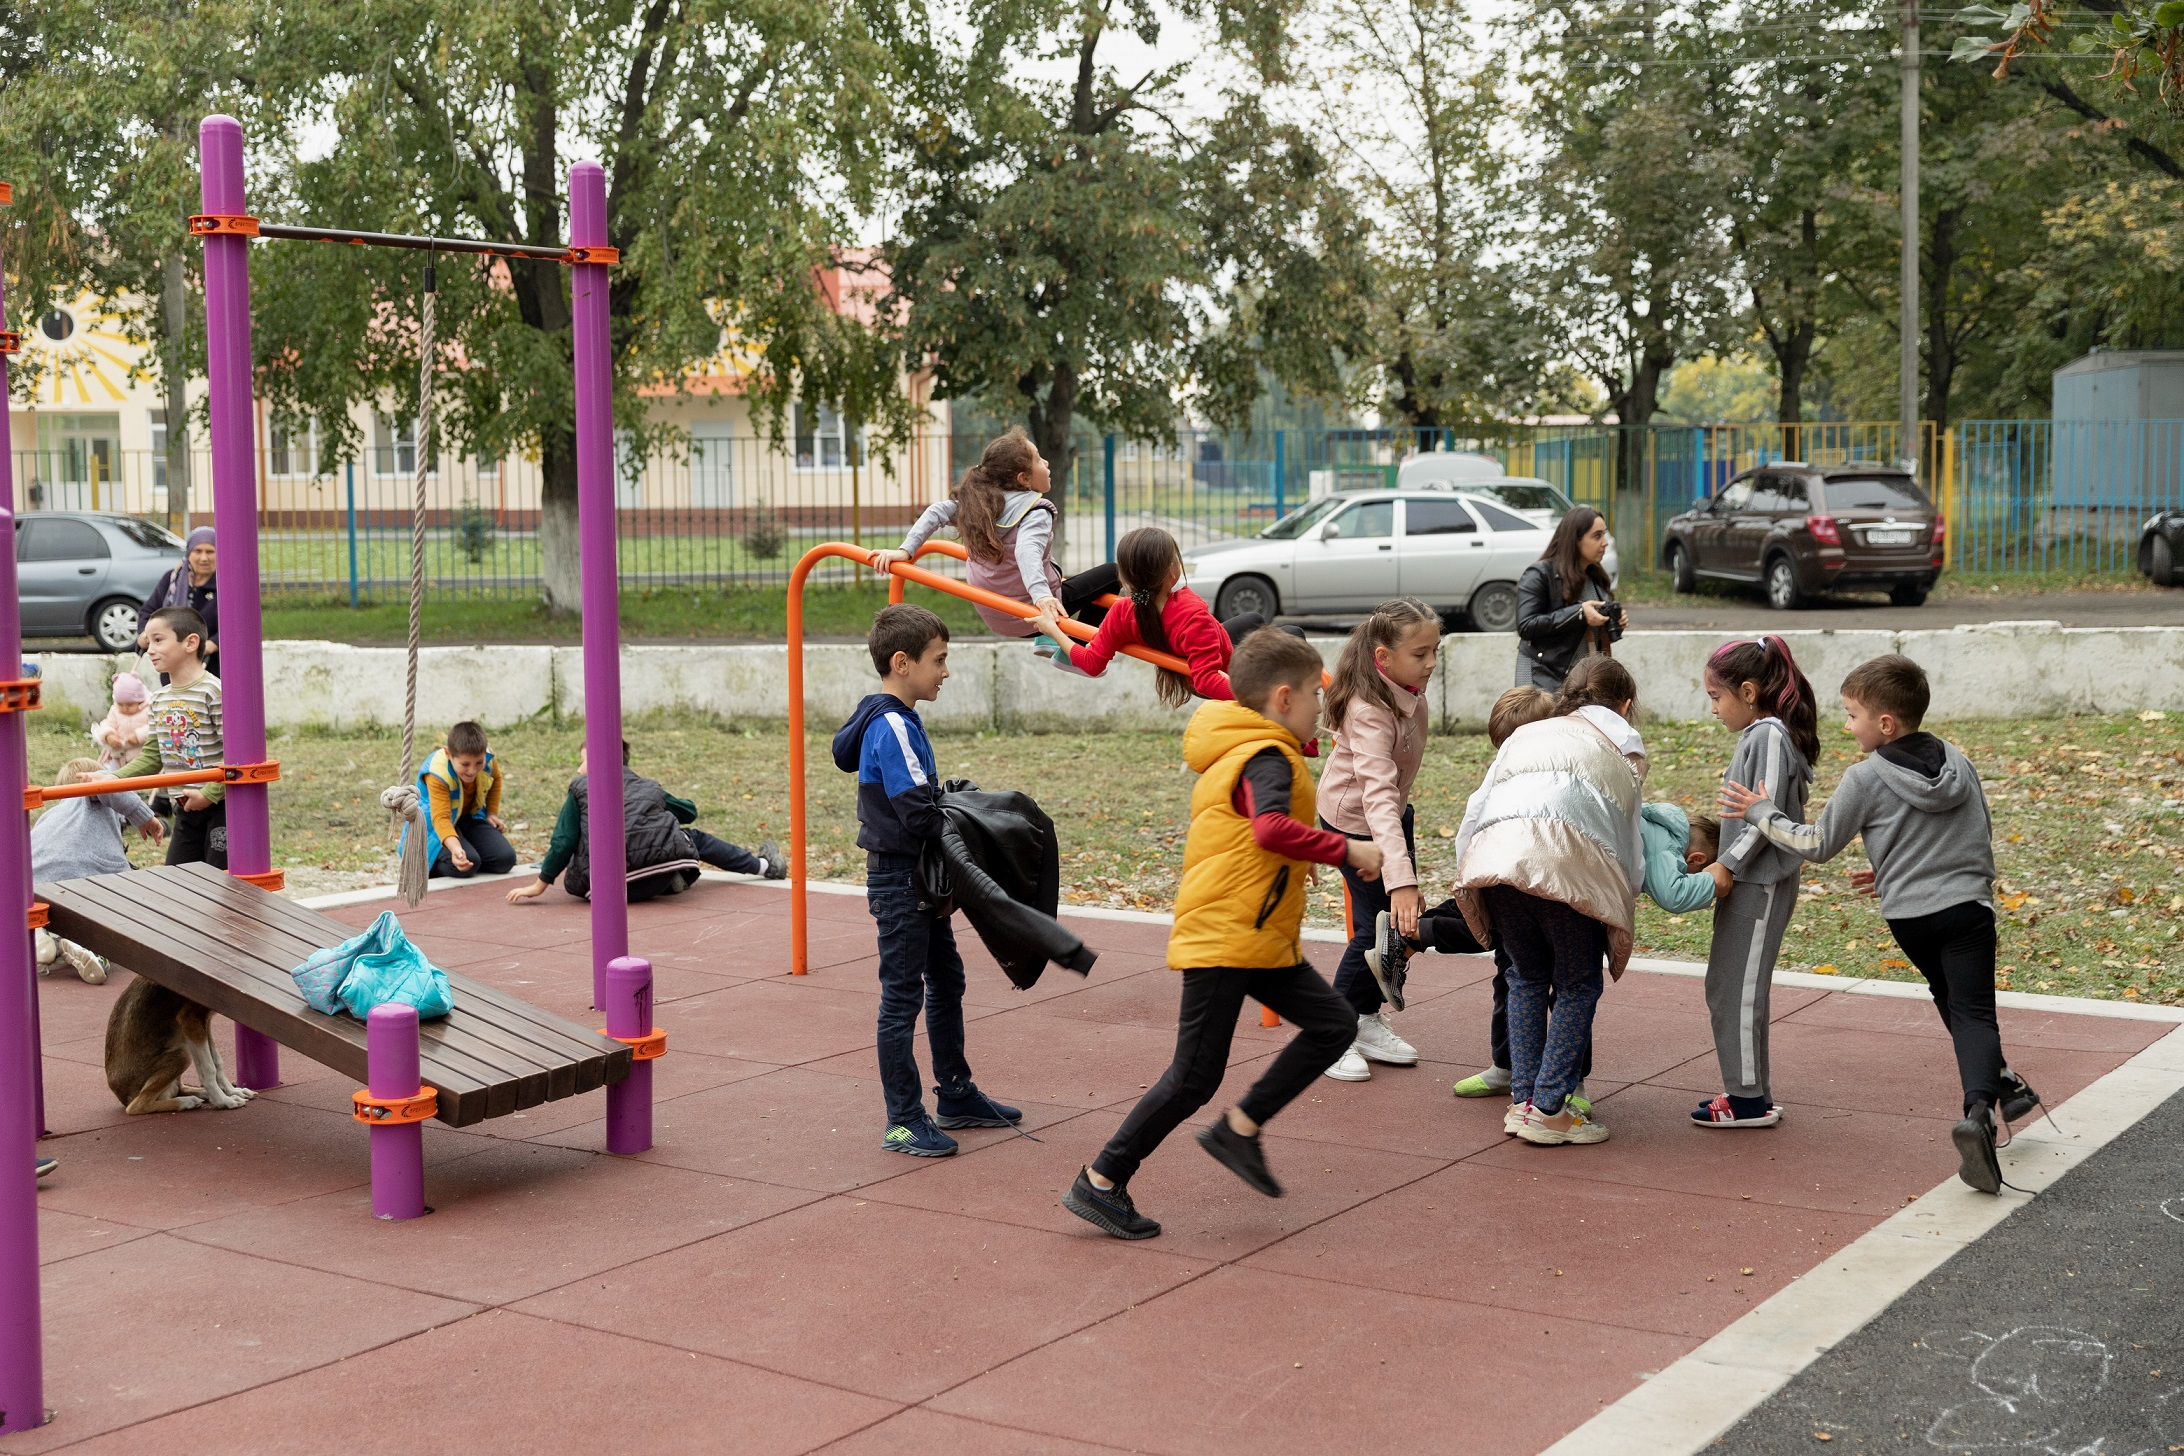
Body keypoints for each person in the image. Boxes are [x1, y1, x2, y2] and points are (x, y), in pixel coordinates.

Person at [1062, 629, 1380, 1241]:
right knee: (1193, 1076)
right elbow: (1268, 828)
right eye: (1315, 694)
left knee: (1334, 1024)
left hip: (1253, 935)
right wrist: (1345, 849)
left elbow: (1258, 835)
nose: (1321, 705)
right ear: (1283, 698)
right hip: (1229, 935)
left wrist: (1306, 856)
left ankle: (1240, 1129)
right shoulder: (1266, 756)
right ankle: (1101, 1179)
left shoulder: (1249, 748)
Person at [1721, 654, 2041, 1194]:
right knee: (1972, 1010)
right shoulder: (1958, 761)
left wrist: (1760, 812)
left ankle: (2003, 1086)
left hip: (1911, 919)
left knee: (1952, 999)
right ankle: (1980, 1111)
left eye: (1852, 715)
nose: (1848, 726)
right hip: (1967, 910)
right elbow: (1978, 830)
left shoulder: (1865, 777)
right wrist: (1899, 865)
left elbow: (1817, 843)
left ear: (1885, 724)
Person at [832, 603, 1022, 1158]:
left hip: (914, 876)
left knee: (946, 979)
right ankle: (902, 1121)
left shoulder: (895, 719)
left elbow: (920, 802)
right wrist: (972, 823)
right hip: (900, 881)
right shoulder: (892, 723)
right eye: (938, 660)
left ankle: (956, 1094)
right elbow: (918, 813)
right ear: (902, 662)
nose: (945, 671)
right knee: (901, 999)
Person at [1451, 656, 1647, 1146]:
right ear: (1625, 705)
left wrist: (1471, 874)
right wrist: (1626, 894)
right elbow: (1628, 837)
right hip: (1566, 866)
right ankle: (1550, 1108)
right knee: (1578, 984)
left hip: (1499, 861)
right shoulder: (1623, 743)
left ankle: (1524, 1102)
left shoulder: (1528, 733)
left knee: (1526, 977)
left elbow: (1476, 809)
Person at [1314, 597, 1441, 1082]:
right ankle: (1332, 1031)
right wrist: (1401, 879)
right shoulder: (1368, 709)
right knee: (1377, 930)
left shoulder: (1406, 689)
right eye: (1420, 653)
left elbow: (1390, 797)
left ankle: (1363, 1018)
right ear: (1383, 657)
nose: (1431, 663)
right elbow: (1375, 796)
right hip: (1355, 824)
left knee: (1391, 928)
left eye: (1435, 651)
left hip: (1387, 818)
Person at [1694, 636, 1819, 1130]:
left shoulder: (1767, 735)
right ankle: (1752, 1091)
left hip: (1759, 881)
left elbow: (1762, 813)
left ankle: (1746, 1100)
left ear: (1748, 692)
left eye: (1715, 697)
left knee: (1736, 989)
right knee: (1733, 986)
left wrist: (1727, 863)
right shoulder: (1764, 734)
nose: (1713, 709)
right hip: (1752, 880)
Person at [870, 429, 1119, 642]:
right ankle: (1072, 647)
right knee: (1114, 573)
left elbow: (937, 511)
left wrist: (905, 550)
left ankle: (1049, 640)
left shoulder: (982, 506)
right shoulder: (1035, 511)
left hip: (995, 614)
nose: (1046, 463)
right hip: (1032, 614)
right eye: (1038, 459)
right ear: (1023, 479)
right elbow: (1026, 550)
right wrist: (1042, 597)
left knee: (1077, 582)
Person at [506, 741, 786, 904]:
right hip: (656, 872)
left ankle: (664, 878)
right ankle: (764, 866)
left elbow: (564, 839)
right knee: (691, 837)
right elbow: (688, 812)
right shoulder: (647, 786)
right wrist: (657, 802)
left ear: (600, 760)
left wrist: (541, 884)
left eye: (583, 761)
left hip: (603, 888)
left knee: (585, 840)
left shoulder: (581, 786)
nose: (579, 769)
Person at [1031, 526, 1269, 704]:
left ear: (1124, 578)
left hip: (1196, 657)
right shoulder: (1192, 615)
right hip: (1225, 674)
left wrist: (1053, 629)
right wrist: (1258, 699)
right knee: (1285, 633)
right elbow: (1207, 680)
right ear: (1173, 572)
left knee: (1253, 620)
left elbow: (1091, 664)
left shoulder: (1122, 612)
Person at [31, 756, 162, 983]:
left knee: (63, 914)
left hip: (37, 889)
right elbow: (106, 785)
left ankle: (49, 940)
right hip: (83, 880)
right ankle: (89, 946)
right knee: (127, 913)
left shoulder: (47, 817)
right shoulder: (92, 796)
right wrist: (145, 817)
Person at [117, 606, 226, 869]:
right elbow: (152, 757)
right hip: (184, 807)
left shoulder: (214, 692)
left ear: (190, 643)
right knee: (179, 878)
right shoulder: (158, 699)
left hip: (222, 806)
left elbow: (234, 754)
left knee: (223, 882)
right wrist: (111, 779)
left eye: (158, 640)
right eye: (148, 641)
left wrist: (208, 794)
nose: (149, 650)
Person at [1515, 506, 1624, 692]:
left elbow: (1584, 635)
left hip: (1581, 680)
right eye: (1597, 536)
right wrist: (1579, 613)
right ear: (1575, 540)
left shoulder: (1595, 577)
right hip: (1542, 674)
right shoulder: (1540, 574)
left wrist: (1611, 623)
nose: (1605, 543)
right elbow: (1526, 625)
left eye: (1604, 535)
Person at [409, 721, 517, 879]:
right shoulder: (436, 773)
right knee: (467, 864)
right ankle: (426, 862)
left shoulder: (489, 757)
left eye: (478, 763)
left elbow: (496, 778)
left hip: (469, 817)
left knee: (505, 860)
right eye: (465, 764)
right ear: (448, 754)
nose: (472, 771)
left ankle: (471, 855)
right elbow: (441, 818)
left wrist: (492, 813)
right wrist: (455, 849)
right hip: (434, 824)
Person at [140, 527, 219, 683]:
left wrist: (213, 644)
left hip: (213, 667)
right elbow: (148, 611)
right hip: (174, 667)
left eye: (210, 552)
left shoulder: (226, 585)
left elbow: (238, 625)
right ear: (189, 553)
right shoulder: (172, 580)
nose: (204, 558)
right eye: (198, 551)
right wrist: (144, 634)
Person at [91, 672, 151, 771]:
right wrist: (109, 735)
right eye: (120, 704)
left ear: (140, 701)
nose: (125, 708)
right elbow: (107, 724)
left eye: (130, 705)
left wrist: (138, 735)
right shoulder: (115, 711)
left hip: (142, 757)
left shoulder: (147, 711)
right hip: (119, 758)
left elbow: (153, 728)